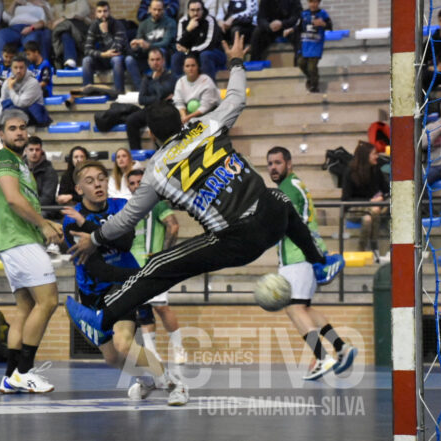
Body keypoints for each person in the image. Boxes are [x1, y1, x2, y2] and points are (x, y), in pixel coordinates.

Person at [65, 33, 344, 337]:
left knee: (159, 265)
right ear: (182, 120)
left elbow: (128, 218)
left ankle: (101, 318)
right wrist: (236, 60)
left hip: (235, 239)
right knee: (278, 197)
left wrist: (94, 240)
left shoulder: (157, 170)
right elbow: (237, 97)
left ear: (153, 136)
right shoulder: (208, 125)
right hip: (272, 217)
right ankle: (318, 262)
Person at [61, 160, 189, 405]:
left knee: (123, 343)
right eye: (89, 181)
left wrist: (91, 231)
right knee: (112, 358)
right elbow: (97, 268)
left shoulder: (122, 206)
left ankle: (173, 384)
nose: (97, 184)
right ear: (79, 190)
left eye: (101, 178)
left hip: (121, 286)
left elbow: (125, 243)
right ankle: (147, 380)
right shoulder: (70, 221)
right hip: (94, 288)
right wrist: (137, 276)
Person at [0, 108, 63, 394]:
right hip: (18, 240)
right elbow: (13, 200)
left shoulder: (19, 162)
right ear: (1, 133)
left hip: (15, 240)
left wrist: (45, 224)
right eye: (13, 128)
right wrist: (43, 224)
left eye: (23, 127)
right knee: (49, 301)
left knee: (25, 308)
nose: (20, 132)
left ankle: (9, 377)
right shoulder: (5, 158)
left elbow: (23, 201)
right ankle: (24, 371)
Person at [267, 146, 356, 380]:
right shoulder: (297, 184)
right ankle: (341, 348)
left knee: (293, 309)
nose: (273, 168)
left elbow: (283, 223)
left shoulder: (287, 189)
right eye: (270, 164)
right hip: (308, 256)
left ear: (289, 163)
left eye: (277, 163)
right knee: (304, 308)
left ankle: (322, 356)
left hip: (296, 257)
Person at [126, 169, 187, 364]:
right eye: (132, 183)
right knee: (142, 310)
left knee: (161, 307)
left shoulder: (158, 204)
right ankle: (152, 353)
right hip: (134, 267)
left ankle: (179, 350)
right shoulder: (128, 207)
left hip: (154, 265)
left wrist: (165, 255)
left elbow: (173, 225)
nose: (136, 186)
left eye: (139, 182)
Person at [0, 55, 51, 143]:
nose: (18, 71)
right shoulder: (7, 82)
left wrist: (11, 88)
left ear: (26, 68)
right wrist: (0, 122)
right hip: (10, 114)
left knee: (14, 108)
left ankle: (11, 146)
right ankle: (4, 148)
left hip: (31, 115)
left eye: (21, 68)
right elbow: (1, 102)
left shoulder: (33, 83)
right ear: (11, 68)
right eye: (15, 67)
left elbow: (20, 103)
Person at [341, 142, 389, 258]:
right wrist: (369, 202)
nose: (377, 156)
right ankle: (371, 247)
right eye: (374, 154)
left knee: (369, 216)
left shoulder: (376, 170)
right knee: (371, 213)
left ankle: (364, 249)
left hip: (373, 208)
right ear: (365, 156)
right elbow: (346, 199)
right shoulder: (350, 172)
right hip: (354, 209)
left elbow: (387, 190)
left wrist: (382, 197)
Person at [126, 48, 176, 150]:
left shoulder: (170, 77)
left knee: (160, 123)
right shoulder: (146, 78)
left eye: (158, 59)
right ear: (148, 62)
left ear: (163, 61)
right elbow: (141, 99)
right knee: (131, 120)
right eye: (152, 60)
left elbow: (162, 92)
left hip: (165, 110)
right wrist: (159, 99)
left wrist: (155, 80)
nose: (155, 63)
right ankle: (136, 154)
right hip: (150, 110)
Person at [126, 0, 176, 90]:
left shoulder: (170, 22)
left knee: (160, 51)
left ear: (164, 10)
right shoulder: (143, 24)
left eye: (160, 10)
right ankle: (141, 90)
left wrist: (149, 45)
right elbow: (139, 44)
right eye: (155, 9)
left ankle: (161, 88)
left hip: (165, 56)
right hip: (147, 57)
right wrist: (135, 48)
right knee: (129, 60)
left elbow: (165, 43)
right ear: (149, 9)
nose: (157, 12)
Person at [171, 0, 226, 81]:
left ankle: (208, 87)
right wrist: (188, 30)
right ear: (188, 10)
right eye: (192, 10)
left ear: (202, 10)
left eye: (198, 10)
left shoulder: (210, 20)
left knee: (205, 55)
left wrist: (189, 51)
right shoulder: (183, 21)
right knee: (176, 57)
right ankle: (177, 87)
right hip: (193, 54)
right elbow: (179, 44)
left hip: (214, 53)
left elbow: (209, 44)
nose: (195, 13)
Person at [83, 1, 130, 94]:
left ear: (109, 12)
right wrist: (102, 54)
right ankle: (88, 92)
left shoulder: (118, 25)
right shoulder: (94, 26)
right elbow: (87, 50)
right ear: (96, 13)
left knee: (116, 59)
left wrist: (105, 33)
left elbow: (117, 49)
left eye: (105, 11)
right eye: (99, 12)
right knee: (86, 60)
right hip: (102, 58)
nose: (102, 14)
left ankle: (119, 92)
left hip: (118, 59)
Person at [292, 0, 331, 93]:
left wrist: (323, 24)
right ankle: (312, 78)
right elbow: (297, 26)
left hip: (316, 45)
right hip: (305, 44)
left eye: (315, 2)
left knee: (312, 67)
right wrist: (290, 30)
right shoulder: (303, 14)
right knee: (301, 62)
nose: (313, 4)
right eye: (311, 2)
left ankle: (314, 85)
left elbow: (330, 26)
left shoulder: (323, 14)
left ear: (319, 3)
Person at [173, 53, 221, 124]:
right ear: (183, 68)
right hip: (188, 114)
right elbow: (179, 102)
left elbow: (206, 106)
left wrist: (188, 117)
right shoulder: (180, 82)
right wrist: (183, 116)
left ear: (198, 67)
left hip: (211, 113)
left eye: (193, 65)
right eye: (187, 66)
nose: (190, 68)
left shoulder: (207, 80)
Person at [50, 0, 92, 69]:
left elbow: (80, 14)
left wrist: (64, 18)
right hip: (62, 35)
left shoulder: (81, 2)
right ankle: (70, 60)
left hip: (79, 30)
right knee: (65, 34)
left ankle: (70, 59)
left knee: (66, 28)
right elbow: (52, 23)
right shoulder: (57, 6)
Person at [24, 136, 58, 213]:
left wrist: (27, 206)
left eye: (37, 150)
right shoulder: (19, 168)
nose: (34, 153)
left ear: (41, 151)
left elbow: (47, 198)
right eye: (31, 149)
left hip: (43, 209)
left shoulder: (50, 171)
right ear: (25, 151)